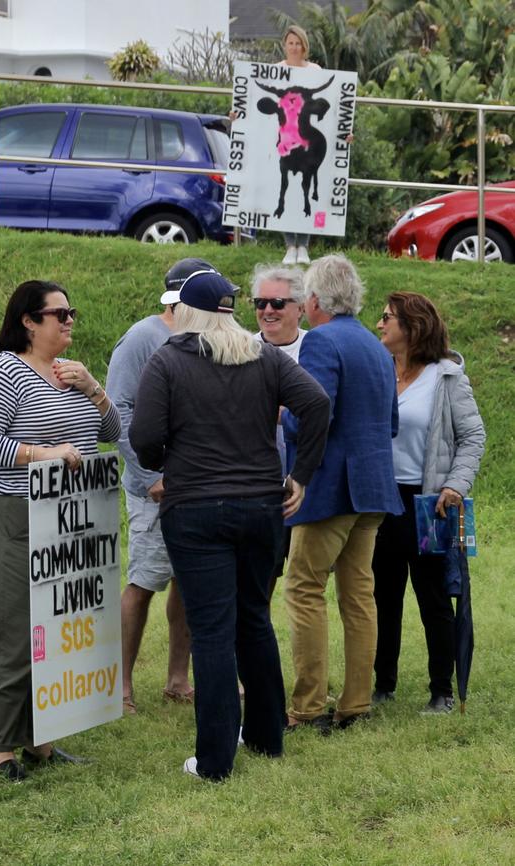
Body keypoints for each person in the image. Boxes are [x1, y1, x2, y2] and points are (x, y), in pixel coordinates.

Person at [129, 268, 330, 781]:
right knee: (254, 621)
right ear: (230, 308)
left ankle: (215, 760)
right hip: (263, 506)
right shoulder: (264, 354)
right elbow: (317, 404)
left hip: (196, 508)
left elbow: (146, 438)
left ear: (184, 312)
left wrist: (171, 453)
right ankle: (266, 736)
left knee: (213, 631)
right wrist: (300, 475)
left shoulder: (169, 359)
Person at [0, 279, 120, 782]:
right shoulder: (3, 371)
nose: (69, 320)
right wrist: (41, 454)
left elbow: (114, 434)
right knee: (13, 630)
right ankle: (0, 752)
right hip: (13, 511)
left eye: (72, 313)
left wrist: (92, 385)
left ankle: (42, 742)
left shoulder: (71, 374)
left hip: (70, 518)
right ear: (29, 321)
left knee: (56, 631)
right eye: (59, 314)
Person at [282, 254, 403, 734]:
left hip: (332, 487)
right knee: (359, 594)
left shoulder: (321, 341)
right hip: (374, 487)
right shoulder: (376, 347)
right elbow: (389, 423)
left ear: (313, 300)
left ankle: (308, 706)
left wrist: (283, 417)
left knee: (303, 588)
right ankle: (356, 702)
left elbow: (316, 414)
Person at [106, 259, 217, 713]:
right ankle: (121, 685)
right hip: (154, 488)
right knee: (144, 581)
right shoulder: (142, 338)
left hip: (198, 485)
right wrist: (152, 475)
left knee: (189, 584)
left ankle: (177, 679)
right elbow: (117, 414)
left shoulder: (208, 338)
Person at [372, 292, 485, 714]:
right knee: (382, 596)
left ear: (412, 326)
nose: (380, 324)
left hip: (430, 503)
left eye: (387, 318)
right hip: (381, 500)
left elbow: (473, 436)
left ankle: (442, 690)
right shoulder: (379, 370)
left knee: (433, 597)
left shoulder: (446, 376)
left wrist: (455, 486)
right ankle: (383, 684)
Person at [251, 264, 307, 592]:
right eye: (261, 303)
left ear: (300, 307)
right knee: (258, 581)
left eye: (277, 303)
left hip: (303, 483)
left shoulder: (317, 349)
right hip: (254, 484)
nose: (268, 311)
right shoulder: (238, 347)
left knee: (304, 584)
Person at [277, 25, 321, 266]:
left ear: (304, 46)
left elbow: (331, 105)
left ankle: (303, 245)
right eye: (290, 43)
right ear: (285, 45)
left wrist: (344, 132)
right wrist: (237, 114)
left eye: (298, 43)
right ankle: (289, 245)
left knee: (307, 182)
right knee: (282, 183)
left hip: (306, 137)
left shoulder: (315, 71)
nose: (294, 47)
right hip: (284, 137)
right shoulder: (275, 71)